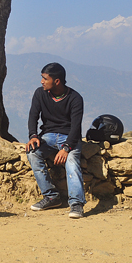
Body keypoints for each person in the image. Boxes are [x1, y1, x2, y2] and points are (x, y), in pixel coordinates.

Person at [26, 62, 86, 218]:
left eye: (45, 78)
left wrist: (66, 148)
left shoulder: (75, 98)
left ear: (57, 81)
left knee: (71, 162)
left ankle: (77, 204)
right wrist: (33, 136)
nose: (42, 81)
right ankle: (51, 196)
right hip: (48, 136)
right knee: (32, 153)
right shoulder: (40, 93)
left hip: (69, 138)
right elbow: (33, 116)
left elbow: (75, 127)